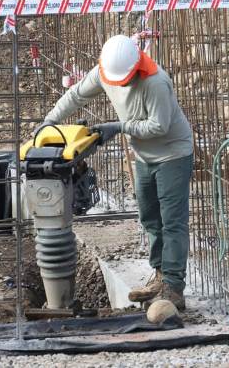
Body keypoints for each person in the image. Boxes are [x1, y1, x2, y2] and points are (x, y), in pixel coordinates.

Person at [43, 34, 194, 309]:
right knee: (149, 216)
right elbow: (77, 94)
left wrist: (120, 127)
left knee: (172, 220)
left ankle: (174, 287)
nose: (119, 84)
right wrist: (49, 121)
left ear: (135, 68)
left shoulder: (155, 82)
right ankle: (160, 275)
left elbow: (158, 126)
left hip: (172, 153)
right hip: (144, 156)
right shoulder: (105, 71)